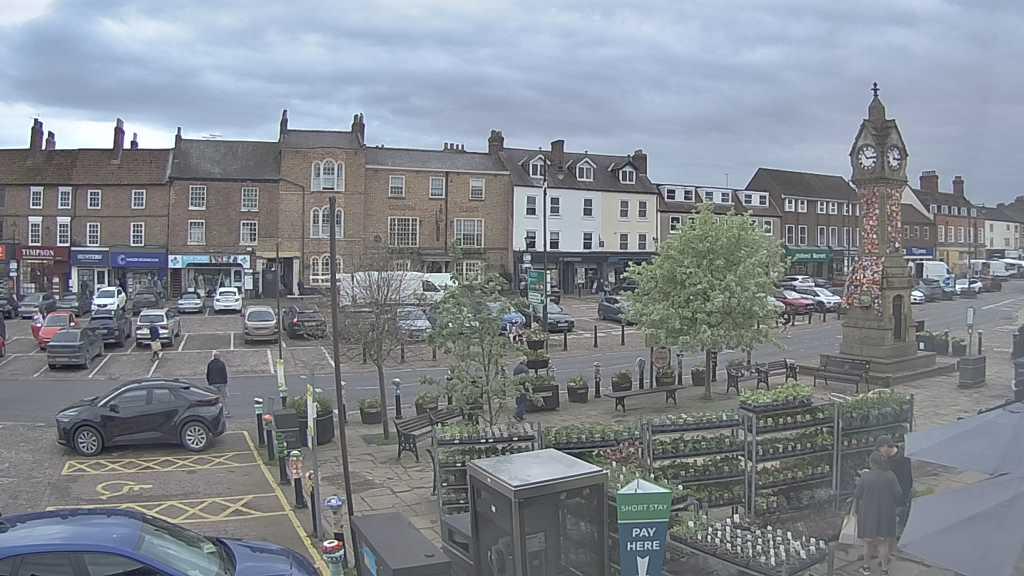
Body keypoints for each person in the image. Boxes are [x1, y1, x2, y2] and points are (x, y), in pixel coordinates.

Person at [855, 451, 902, 576]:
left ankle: (866, 568)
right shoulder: (890, 476)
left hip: (868, 514)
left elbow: (857, 495)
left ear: (872, 463)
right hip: (886, 514)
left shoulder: (865, 477)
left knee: (867, 543)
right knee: (884, 543)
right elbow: (898, 494)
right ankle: (884, 570)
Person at [877, 435, 913, 529]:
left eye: (880, 449)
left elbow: (905, 482)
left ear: (885, 447)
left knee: (898, 524)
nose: (880, 452)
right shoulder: (897, 454)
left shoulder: (900, 461)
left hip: (899, 498)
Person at [206, 351, 230, 416]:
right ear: (218, 357)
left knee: (214, 398)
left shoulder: (210, 364)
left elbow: (208, 374)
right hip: (222, 383)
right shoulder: (222, 363)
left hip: (213, 383)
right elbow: (224, 374)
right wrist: (225, 382)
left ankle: (215, 412)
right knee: (223, 398)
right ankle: (226, 411)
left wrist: (209, 382)